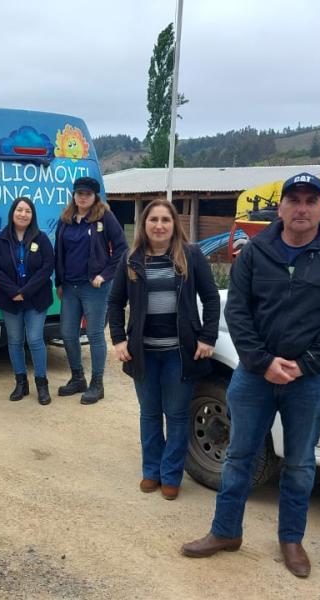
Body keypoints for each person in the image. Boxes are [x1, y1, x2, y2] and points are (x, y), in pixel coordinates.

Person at [181, 172, 320, 578]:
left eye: (309, 201)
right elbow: (238, 312)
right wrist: (263, 361)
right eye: (294, 200)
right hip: (253, 377)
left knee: (299, 463)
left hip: (310, 380)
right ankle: (225, 531)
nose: (301, 208)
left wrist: (305, 364)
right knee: (239, 457)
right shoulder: (254, 252)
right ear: (280, 207)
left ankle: (291, 540)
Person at [108, 199, 220, 500]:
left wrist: (207, 337)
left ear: (174, 225)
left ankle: (171, 475)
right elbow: (114, 302)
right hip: (143, 353)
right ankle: (151, 472)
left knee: (178, 415)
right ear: (144, 225)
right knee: (149, 414)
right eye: (153, 219)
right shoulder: (131, 259)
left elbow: (211, 299)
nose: (159, 225)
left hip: (179, 354)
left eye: (165, 220)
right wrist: (118, 339)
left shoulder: (192, 256)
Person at [54, 176, 127, 404]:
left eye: (87, 193)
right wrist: (59, 281)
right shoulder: (66, 219)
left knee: (94, 334)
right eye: (79, 193)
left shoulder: (104, 217)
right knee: (67, 333)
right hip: (70, 286)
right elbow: (59, 251)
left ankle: (97, 383)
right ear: (74, 195)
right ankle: (78, 378)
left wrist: (104, 275)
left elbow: (122, 248)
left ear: (95, 196)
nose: (82, 197)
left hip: (94, 287)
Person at [0, 197, 55, 405]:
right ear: (12, 213)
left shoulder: (41, 239)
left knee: (35, 340)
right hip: (10, 300)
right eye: (19, 210)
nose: (23, 214)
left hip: (36, 298)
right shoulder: (0, 240)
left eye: (27, 211)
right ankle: (20, 383)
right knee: (15, 341)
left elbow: (47, 267)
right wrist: (13, 291)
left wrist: (25, 291)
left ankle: (42, 385)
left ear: (32, 215)